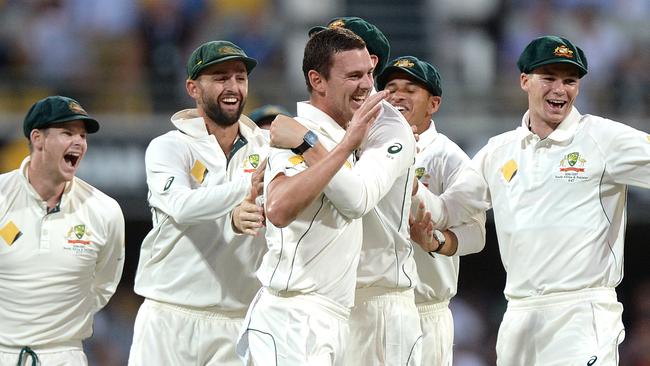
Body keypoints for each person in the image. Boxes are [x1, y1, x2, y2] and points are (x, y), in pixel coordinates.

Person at [456, 35, 650, 364]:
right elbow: (453, 205)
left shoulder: (603, 138)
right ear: (524, 81)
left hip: (582, 313)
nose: (560, 90)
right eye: (549, 78)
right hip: (519, 313)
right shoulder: (498, 150)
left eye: (570, 81)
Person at [236, 27, 411, 366]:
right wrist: (331, 145)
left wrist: (325, 143)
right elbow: (278, 208)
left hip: (328, 316)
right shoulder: (294, 136)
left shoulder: (321, 137)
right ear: (317, 81)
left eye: (369, 74)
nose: (366, 85)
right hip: (293, 316)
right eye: (354, 75)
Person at [129, 40, 269, 365]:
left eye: (240, 77)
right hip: (169, 315)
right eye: (220, 78)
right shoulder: (169, 147)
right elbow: (181, 206)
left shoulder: (266, 149)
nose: (233, 86)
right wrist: (244, 191)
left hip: (238, 320)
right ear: (193, 87)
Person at [376, 55, 487, 366]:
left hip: (424, 309)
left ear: (433, 104)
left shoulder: (447, 156)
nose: (397, 95)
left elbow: (477, 234)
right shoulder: (367, 149)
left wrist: (438, 242)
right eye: (391, 88)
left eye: (410, 89)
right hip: (370, 306)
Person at [0, 95, 125, 366]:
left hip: (65, 355)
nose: (79, 142)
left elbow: (104, 285)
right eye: (67, 132)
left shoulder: (105, 210)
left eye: (83, 135)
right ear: (38, 139)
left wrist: (60, 324)